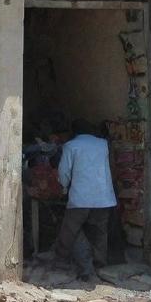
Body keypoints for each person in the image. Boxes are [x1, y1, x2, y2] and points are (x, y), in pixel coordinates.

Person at [55, 120, 117, 281]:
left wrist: (63, 187)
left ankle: (85, 269)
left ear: (74, 132)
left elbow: (64, 172)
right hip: (104, 197)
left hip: (80, 199)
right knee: (99, 232)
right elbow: (111, 167)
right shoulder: (103, 144)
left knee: (73, 232)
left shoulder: (71, 146)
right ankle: (100, 265)